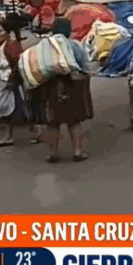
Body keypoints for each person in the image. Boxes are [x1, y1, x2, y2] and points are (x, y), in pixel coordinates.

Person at [34, 18, 94, 163]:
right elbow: (85, 67)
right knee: (74, 121)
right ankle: (78, 152)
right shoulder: (75, 45)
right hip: (71, 85)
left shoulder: (44, 45)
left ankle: (53, 153)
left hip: (50, 86)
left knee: (52, 122)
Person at [0, 20, 25, 147]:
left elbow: (18, 64)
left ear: (7, 32)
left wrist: (12, 80)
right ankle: (9, 136)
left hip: (9, 85)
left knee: (14, 110)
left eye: (0, 31)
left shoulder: (11, 46)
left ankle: (37, 134)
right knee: (5, 112)